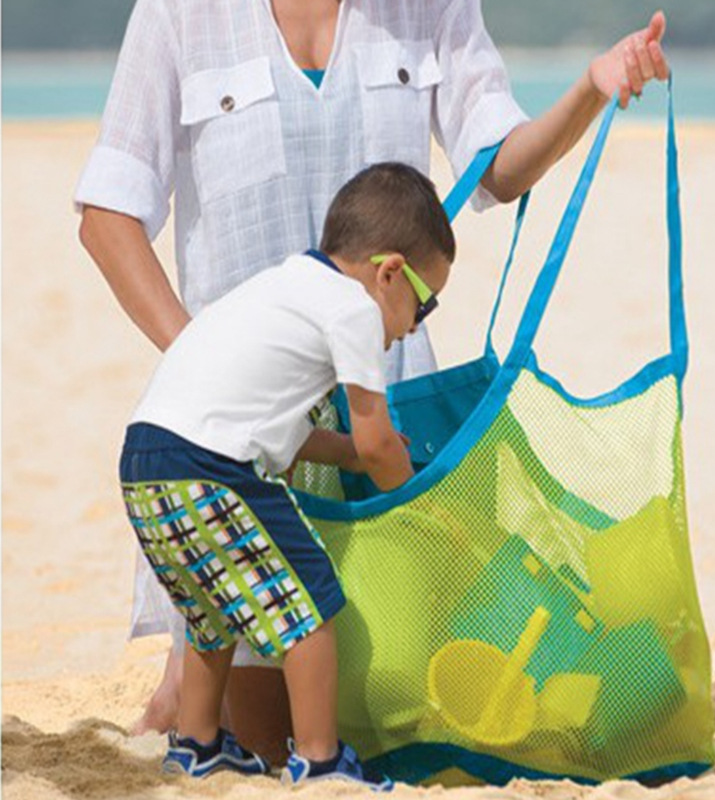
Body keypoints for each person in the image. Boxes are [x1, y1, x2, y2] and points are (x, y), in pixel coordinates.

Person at [76, 0, 670, 760]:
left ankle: (195, 701)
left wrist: (592, 85)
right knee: (268, 731)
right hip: (243, 453)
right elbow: (107, 214)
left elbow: (498, 164)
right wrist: (204, 358)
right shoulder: (178, 14)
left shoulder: (431, 6)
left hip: (380, 422)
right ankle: (200, 702)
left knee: (395, 714)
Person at [119, 162, 454, 788]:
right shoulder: (354, 309)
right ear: (388, 273)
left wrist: (347, 453)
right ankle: (321, 759)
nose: (414, 326)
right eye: (423, 303)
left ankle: (197, 744)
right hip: (211, 468)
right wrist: (414, 500)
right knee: (311, 601)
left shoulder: (286, 285)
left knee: (212, 609)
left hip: (146, 461)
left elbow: (286, 434)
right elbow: (378, 440)